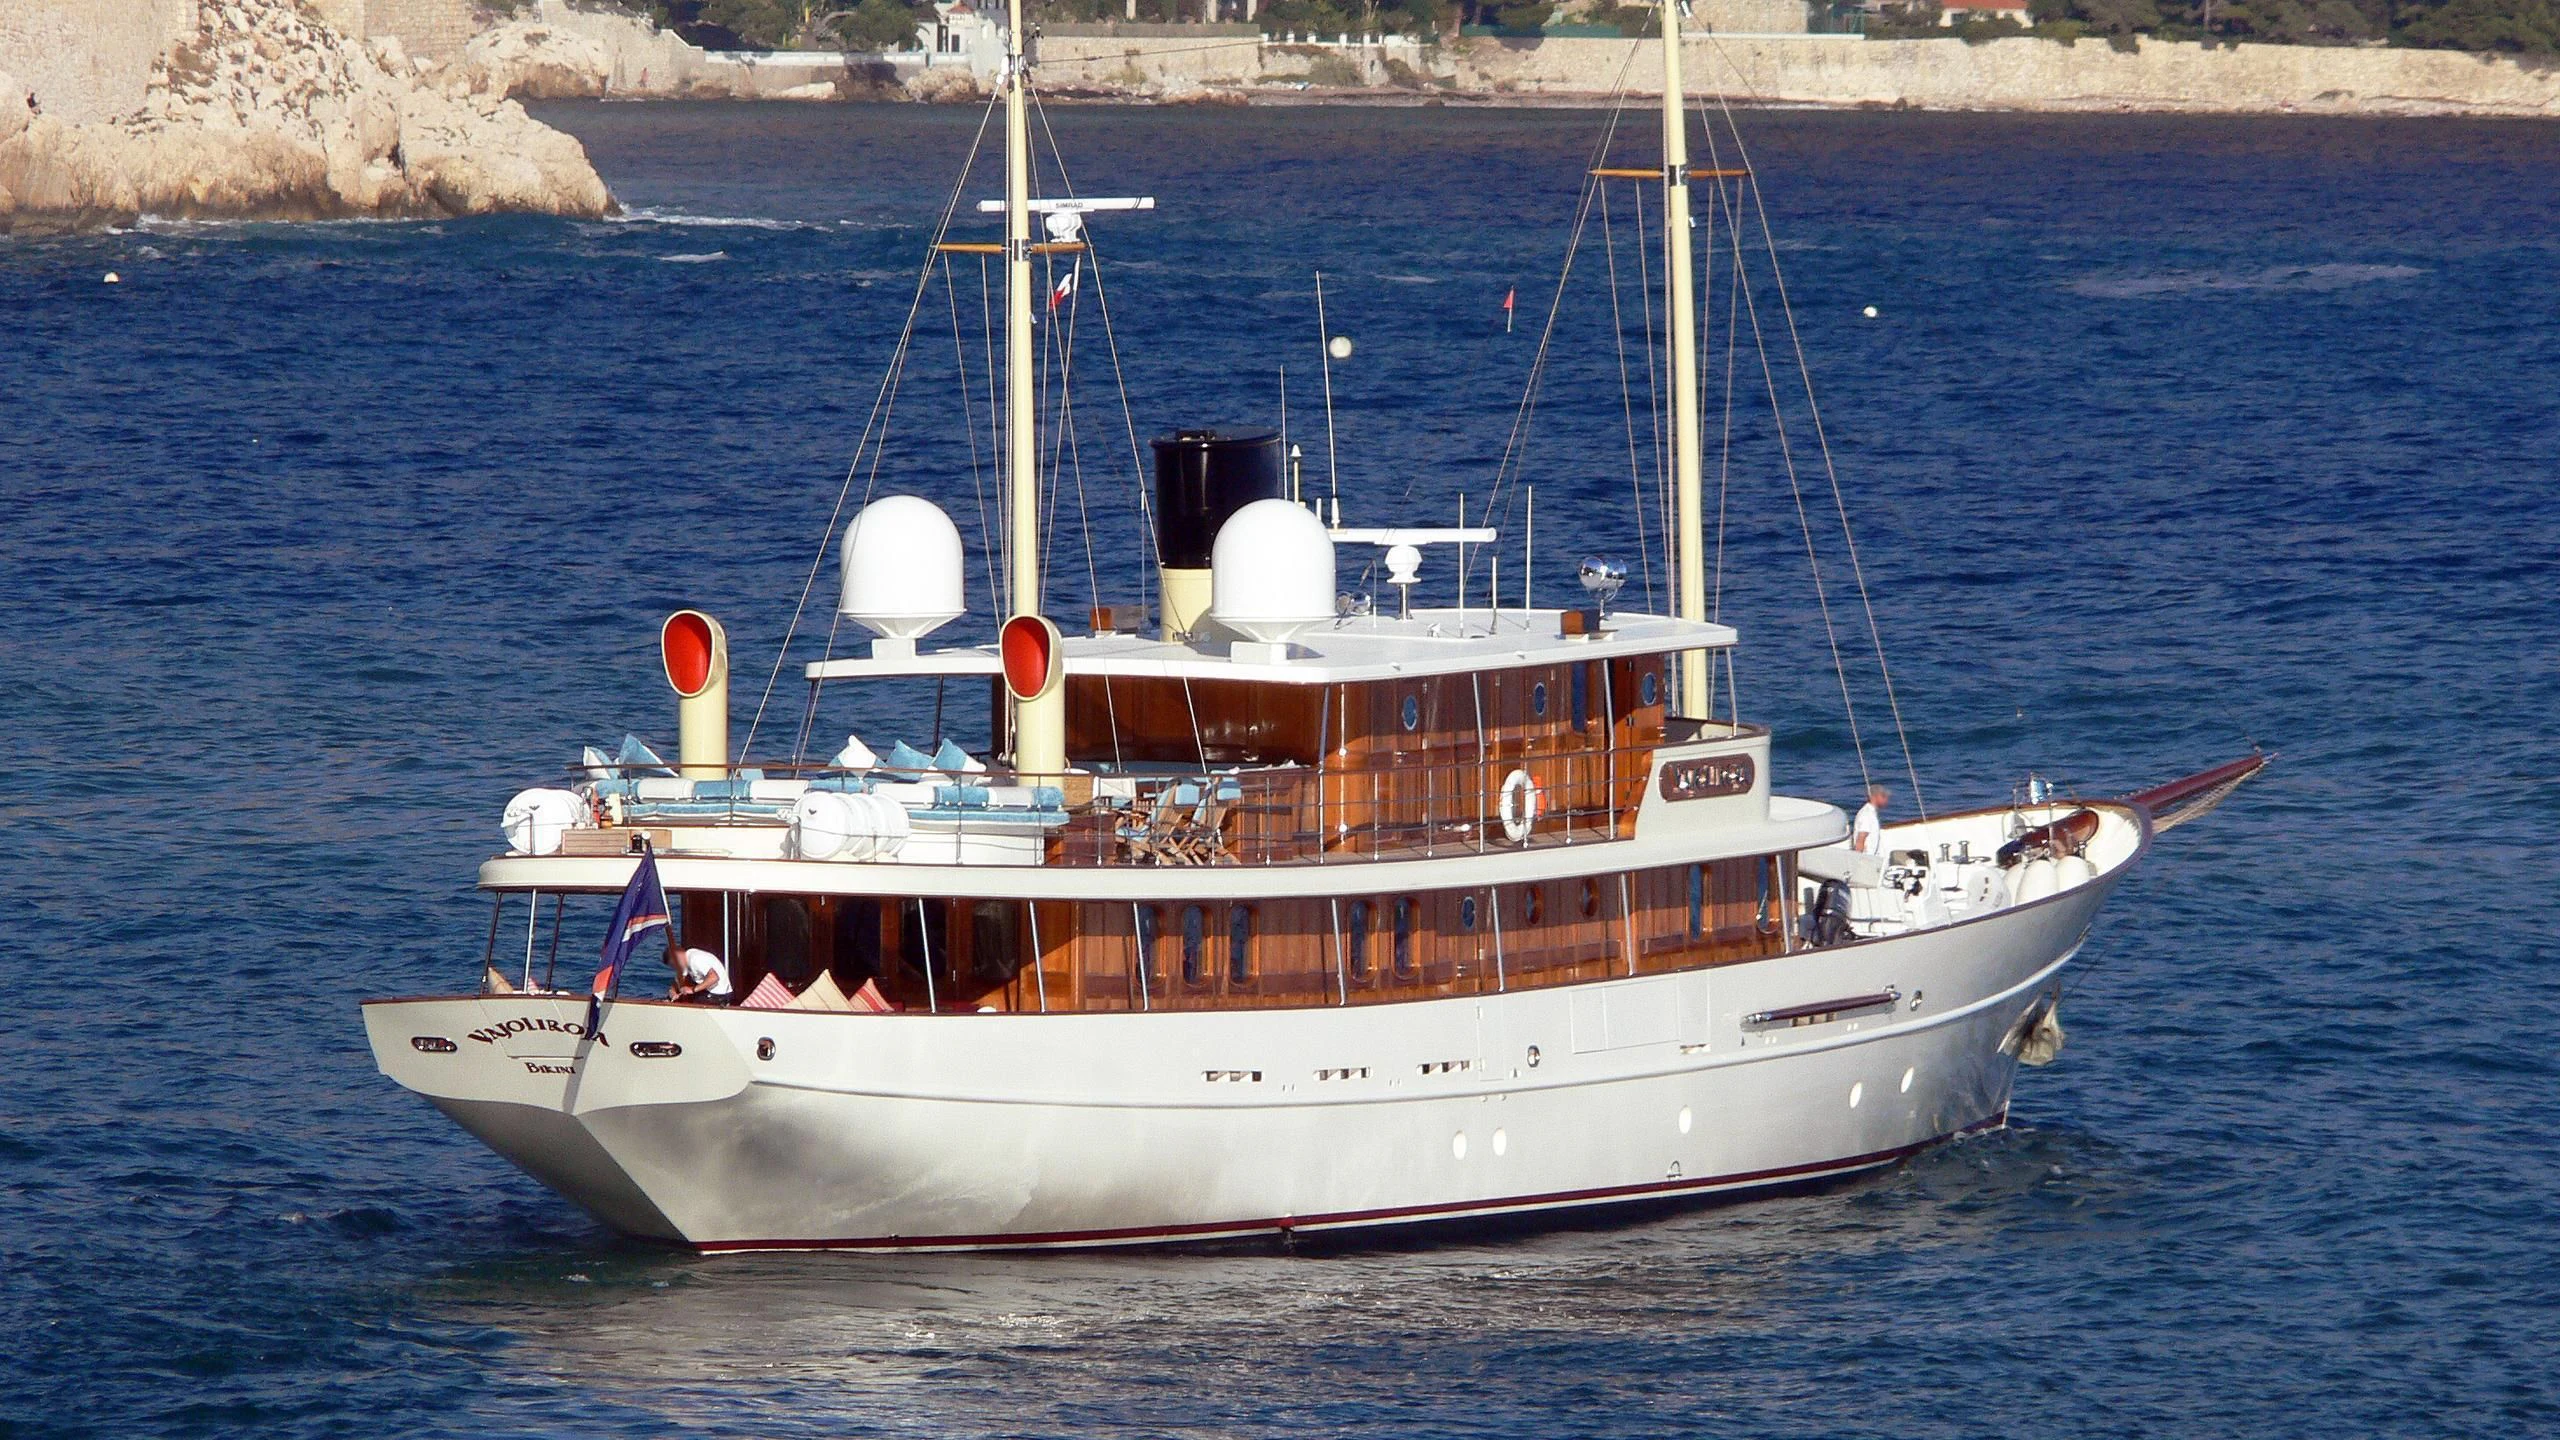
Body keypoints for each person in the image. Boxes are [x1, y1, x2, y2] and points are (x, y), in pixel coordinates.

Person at [665, 936, 733, 1003]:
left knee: (693, 1004)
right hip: (708, 991)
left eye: (674, 965)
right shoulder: (686, 959)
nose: (675, 967)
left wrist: (692, 989)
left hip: (720, 993)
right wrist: (672, 990)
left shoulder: (695, 959)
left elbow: (714, 977)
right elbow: (679, 979)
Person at [1850, 785, 1888, 854]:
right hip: (1868, 859)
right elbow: (1860, 839)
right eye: (1883, 796)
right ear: (1874, 797)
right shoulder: (1866, 814)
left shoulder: (1872, 812)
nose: (1886, 799)